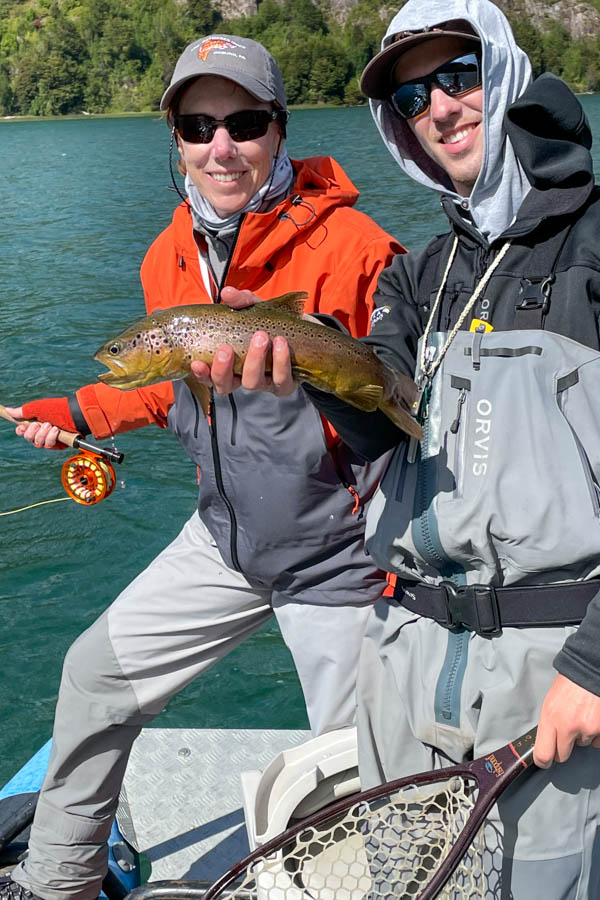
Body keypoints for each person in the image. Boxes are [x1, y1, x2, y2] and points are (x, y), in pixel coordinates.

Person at [193, 2, 600, 896]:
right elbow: (381, 414)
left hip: (551, 684)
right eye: (413, 98)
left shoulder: (593, 249)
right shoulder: (423, 272)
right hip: (406, 661)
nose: (441, 108)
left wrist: (593, 667)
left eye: (461, 76)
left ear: (508, 74)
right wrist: (296, 374)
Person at [0, 34, 405, 900]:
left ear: (279, 129)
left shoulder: (358, 246)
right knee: (93, 675)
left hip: (341, 558)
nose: (221, 147)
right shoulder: (166, 257)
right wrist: (75, 410)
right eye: (197, 124)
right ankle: (56, 879)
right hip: (224, 539)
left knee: (377, 768)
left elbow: (410, 395)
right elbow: (168, 390)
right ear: (176, 137)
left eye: (244, 121)